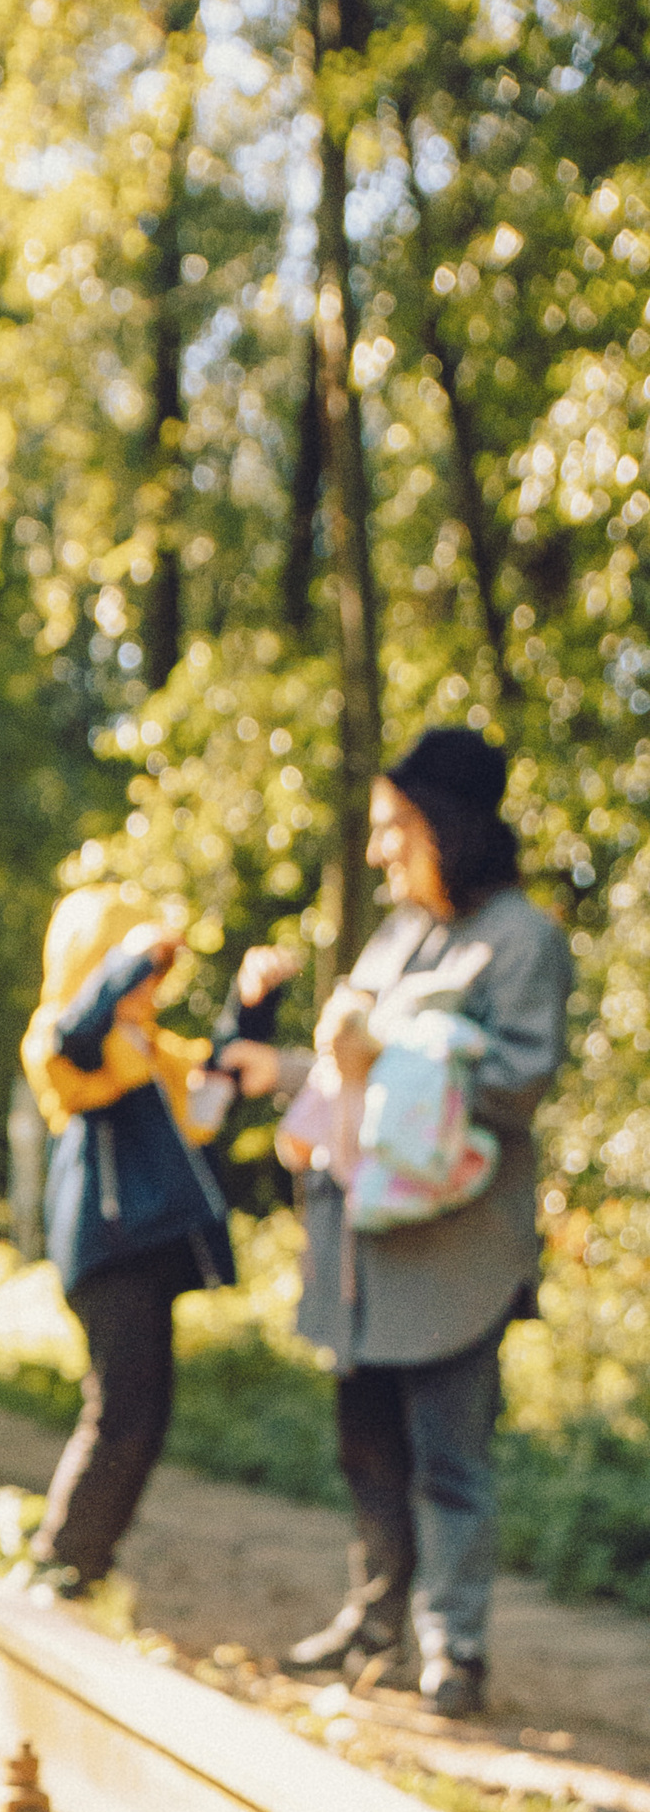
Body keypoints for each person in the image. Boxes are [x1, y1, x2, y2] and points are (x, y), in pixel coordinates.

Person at [279, 730, 573, 1717]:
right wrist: (297, 1084)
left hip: (456, 1254)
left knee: (450, 1459)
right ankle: (374, 1627)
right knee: (365, 1448)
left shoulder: (523, 939)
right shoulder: (398, 933)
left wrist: (387, 1048)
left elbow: (514, 1083)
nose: (377, 852)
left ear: (447, 824)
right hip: (362, 1247)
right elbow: (346, 1070)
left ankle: (456, 1652)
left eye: (392, 828)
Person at [18, 892, 282, 1592]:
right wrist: (125, 959)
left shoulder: (152, 1048)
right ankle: (64, 1556)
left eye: (152, 972)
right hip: (105, 1250)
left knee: (145, 1410)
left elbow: (209, 1096)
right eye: (135, 971)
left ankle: (85, 1561)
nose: (146, 986)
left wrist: (250, 1007)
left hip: (146, 1253)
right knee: (121, 1406)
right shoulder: (66, 1035)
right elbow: (72, 1041)